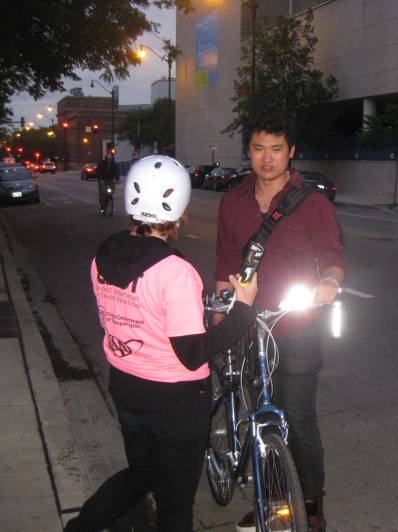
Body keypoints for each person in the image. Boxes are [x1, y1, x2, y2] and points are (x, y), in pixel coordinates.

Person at [65, 155, 258, 532]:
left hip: (125, 386)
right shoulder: (176, 272)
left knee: (142, 474)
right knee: (174, 503)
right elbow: (191, 354)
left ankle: (82, 527)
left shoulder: (101, 259)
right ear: (181, 211)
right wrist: (244, 309)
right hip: (175, 403)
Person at [214, 113, 345, 532]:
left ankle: (312, 504)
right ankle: (271, 500)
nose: (266, 158)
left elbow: (333, 257)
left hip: (297, 323)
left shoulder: (312, 203)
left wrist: (328, 283)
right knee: (259, 417)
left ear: (291, 152)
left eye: (276, 148)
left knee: (300, 418)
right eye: (257, 148)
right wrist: (221, 317)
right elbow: (224, 264)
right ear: (248, 151)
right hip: (249, 325)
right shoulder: (232, 202)